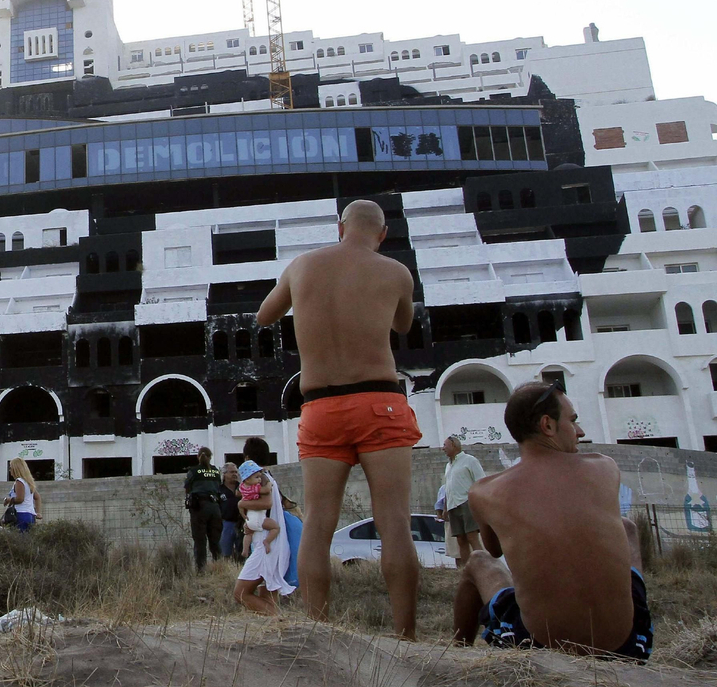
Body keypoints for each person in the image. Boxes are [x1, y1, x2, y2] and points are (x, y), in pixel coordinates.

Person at [257, 198, 421, 639]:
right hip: (379, 402)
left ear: (339, 228)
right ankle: (406, 636)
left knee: (317, 525)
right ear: (382, 234)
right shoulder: (396, 272)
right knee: (394, 521)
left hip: (321, 406)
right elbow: (404, 325)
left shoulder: (302, 266)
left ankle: (318, 632)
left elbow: (263, 315)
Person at [453, 382, 653, 660]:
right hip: (630, 646)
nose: (580, 431)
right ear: (548, 425)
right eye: (572, 421)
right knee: (627, 527)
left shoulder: (485, 492)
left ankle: (456, 655)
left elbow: (495, 550)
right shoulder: (605, 467)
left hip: (541, 648)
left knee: (478, 561)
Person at [233, 461, 297, 615]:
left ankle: (279, 618)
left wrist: (242, 502)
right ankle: (277, 624)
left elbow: (267, 503)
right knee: (267, 594)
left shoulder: (263, 478)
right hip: (264, 541)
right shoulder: (264, 478)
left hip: (265, 545)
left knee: (240, 593)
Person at [440, 436, 486, 567]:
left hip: (467, 503)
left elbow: (481, 482)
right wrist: (445, 508)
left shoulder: (470, 461)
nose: (443, 448)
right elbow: (448, 488)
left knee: (472, 537)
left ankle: (483, 566)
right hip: (452, 506)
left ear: (454, 445)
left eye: (445, 445)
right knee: (460, 539)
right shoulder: (448, 466)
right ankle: (467, 570)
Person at [181, 449, 224, 571]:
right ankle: (219, 568)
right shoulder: (216, 471)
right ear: (210, 457)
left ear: (198, 456)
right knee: (215, 541)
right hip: (215, 508)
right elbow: (218, 487)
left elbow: (187, 487)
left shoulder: (193, 471)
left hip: (199, 507)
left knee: (200, 541)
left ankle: (201, 570)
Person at [238, 468, 280, 558]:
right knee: (275, 528)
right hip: (259, 517)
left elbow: (241, 506)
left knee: (248, 533)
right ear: (248, 479)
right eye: (257, 477)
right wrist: (269, 484)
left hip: (249, 518)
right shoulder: (255, 488)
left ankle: (245, 550)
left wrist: (244, 516)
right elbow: (266, 490)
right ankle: (267, 541)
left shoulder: (242, 488)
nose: (259, 479)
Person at [3, 458, 40, 532]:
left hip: (20, 514)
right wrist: (38, 512)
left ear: (15, 469)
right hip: (30, 515)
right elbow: (37, 497)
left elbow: (20, 499)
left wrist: (8, 500)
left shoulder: (19, 481)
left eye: (11, 468)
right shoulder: (29, 482)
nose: (10, 471)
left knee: (18, 540)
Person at [217, 463, 244, 561]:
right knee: (226, 553)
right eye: (232, 472)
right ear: (224, 474)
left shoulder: (243, 488)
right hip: (226, 524)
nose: (235, 474)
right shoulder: (219, 490)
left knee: (242, 552)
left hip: (241, 523)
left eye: (236, 472)